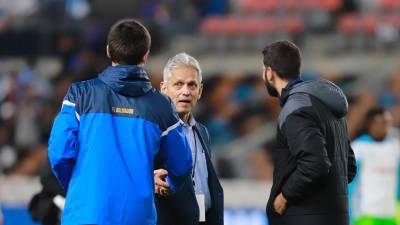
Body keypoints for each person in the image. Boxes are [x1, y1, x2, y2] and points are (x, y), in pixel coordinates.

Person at [48, 19, 192, 225]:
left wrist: (79, 187)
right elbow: (182, 163)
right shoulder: (162, 106)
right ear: (145, 55)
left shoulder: (79, 95)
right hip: (136, 217)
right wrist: (167, 183)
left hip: (84, 215)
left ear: (108, 51)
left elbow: (60, 152)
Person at [261, 40, 357, 225]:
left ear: (269, 72)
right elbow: (349, 168)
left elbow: (315, 163)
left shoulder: (296, 108)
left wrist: (285, 195)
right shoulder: (326, 107)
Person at [153, 53, 224, 225]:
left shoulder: (203, 132)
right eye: (178, 84)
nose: (185, 91)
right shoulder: (152, 129)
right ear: (164, 88)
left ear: (199, 91)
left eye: (192, 85)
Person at [350, 107, 399, 225]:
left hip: (391, 213)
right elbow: (349, 182)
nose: (384, 126)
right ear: (370, 124)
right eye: (380, 122)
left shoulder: (395, 148)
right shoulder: (358, 149)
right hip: (365, 214)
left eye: (387, 122)